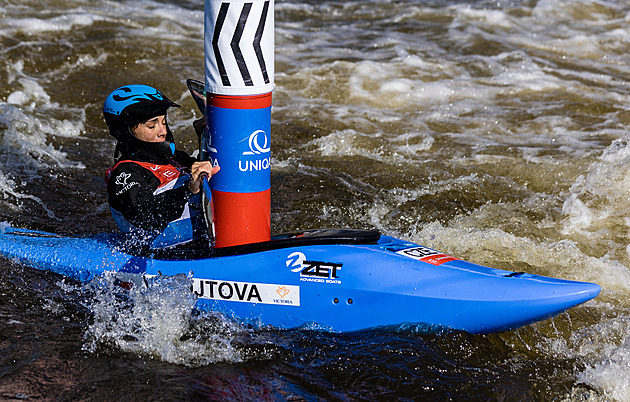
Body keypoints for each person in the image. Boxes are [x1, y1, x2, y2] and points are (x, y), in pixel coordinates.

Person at [103, 84, 219, 249]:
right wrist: (188, 189)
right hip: (162, 254)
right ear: (126, 131)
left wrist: (207, 137)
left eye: (164, 122)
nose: (163, 131)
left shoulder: (173, 158)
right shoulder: (126, 174)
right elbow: (144, 216)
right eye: (152, 126)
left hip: (201, 243)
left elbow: (209, 177)